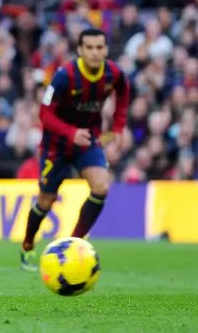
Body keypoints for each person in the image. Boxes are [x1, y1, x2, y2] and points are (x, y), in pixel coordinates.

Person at [20, 28, 130, 271]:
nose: (94, 52)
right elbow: (44, 114)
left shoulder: (114, 73)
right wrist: (71, 133)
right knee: (46, 200)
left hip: (88, 139)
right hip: (56, 145)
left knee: (101, 186)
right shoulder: (64, 76)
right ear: (80, 50)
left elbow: (124, 92)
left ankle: (73, 244)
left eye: (99, 47)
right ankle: (27, 245)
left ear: (106, 50)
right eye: (89, 48)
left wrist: (119, 127)